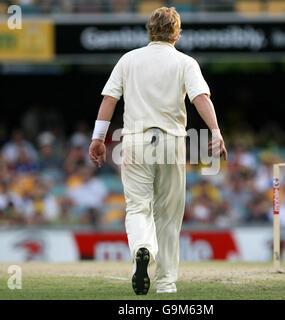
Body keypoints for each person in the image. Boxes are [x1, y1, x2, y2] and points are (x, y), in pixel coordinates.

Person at [89, 7, 227, 295]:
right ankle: (165, 283)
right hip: (171, 141)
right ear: (177, 32)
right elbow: (201, 98)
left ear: (149, 30)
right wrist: (215, 132)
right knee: (168, 214)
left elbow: (109, 100)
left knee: (138, 207)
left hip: (135, 141)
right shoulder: (185, 62)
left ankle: (142, 248)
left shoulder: (129, 59)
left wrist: (98, 138)